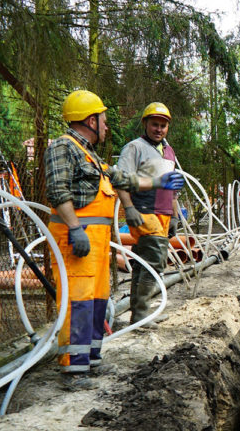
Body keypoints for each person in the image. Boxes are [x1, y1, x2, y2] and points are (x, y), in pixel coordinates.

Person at [45, 90, 184, 374]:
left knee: (97, 299)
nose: (107, 126)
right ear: (89, 120)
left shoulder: (90, 155)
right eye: (103, 120)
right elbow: (58, 191)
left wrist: (159, 182)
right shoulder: (63, 147)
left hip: (96, 243)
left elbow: (122, 177)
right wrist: (74, 228)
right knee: (78, 300)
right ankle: (74, 366)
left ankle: (90, 357)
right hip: (78, 240)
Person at [115, 102, 182, 326]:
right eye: (155, 124)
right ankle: (142, 315)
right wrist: (129, 208)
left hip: (163, 214)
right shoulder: (134, 148)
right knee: (155, 262)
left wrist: (174, 215)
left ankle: (140, 314)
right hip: (143, 211)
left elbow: (172, 189)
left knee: (145, 262)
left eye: (163, 125)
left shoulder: (168, 150)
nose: (159, 129)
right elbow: (121, 180)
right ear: (145, 123)